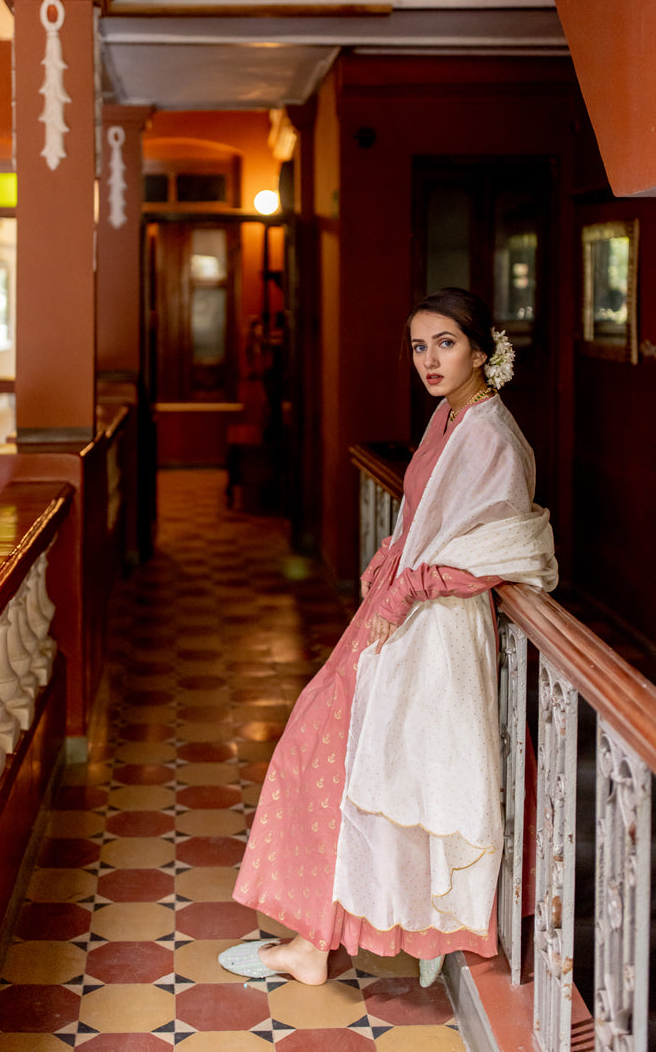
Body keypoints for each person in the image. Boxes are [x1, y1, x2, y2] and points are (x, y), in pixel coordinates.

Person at [219, 287, 558, 987]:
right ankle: (316, 939)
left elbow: (505, 543)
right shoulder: (448, 416)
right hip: (395, 614)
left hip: (433, 632)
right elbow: (427, 516)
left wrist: (410, 584)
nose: (429, 360)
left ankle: (321, 943)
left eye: (445, 343)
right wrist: (392, 556)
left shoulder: (492, 434)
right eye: (417, 346)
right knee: (319, 751)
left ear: (480, 349)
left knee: (360, 768)